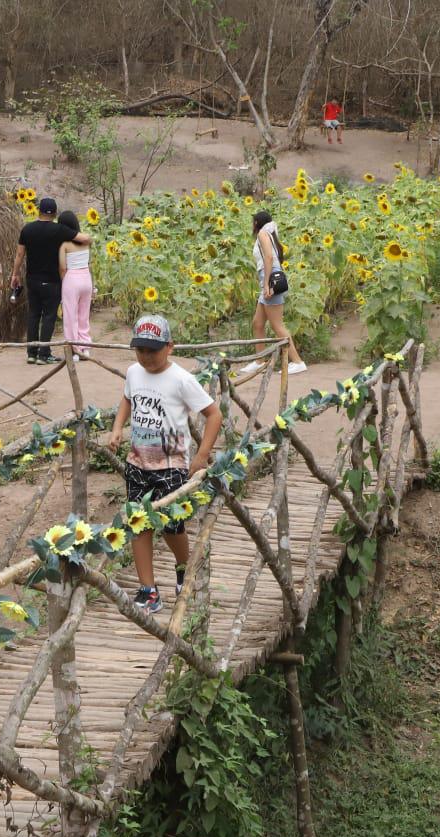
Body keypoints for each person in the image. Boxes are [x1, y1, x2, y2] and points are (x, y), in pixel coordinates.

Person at [107, 315, 221, 615]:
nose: (146, 357)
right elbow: (127, 399)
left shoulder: (181, 379)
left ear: (169, 347)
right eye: (140, 350)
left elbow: (214, 415)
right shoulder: (134, 372)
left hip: (171, 466)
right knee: (138, 525)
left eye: (152, 351)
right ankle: (148, 589)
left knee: (172, 526)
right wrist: (118, 427)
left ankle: (184, 567)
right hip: (137, 463)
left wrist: (201, 454)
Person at [10, 197, 91, 364]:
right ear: (54, 213)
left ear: (38, 211)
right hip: (52, 281)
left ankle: (31, 353)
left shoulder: (27, 229)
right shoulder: (59, 230)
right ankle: (44, 353)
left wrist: (15, 274)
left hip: (32, 280)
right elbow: (85, 239)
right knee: (48, 316)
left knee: (33, 315)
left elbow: (19, 255)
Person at [247, 210, 308, 376]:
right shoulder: (270, 233)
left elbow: (268, 258)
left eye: (253, 221)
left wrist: (266, 283)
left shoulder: (262, 233)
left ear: (257, 222)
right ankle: (260, 361)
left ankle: (297, 361)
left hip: (269, 279)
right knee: (257, 323)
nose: (252, 225)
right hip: (268, 278)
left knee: (277, 325)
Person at [57, 211, 94, 358]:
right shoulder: (86, 242)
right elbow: (89, 262)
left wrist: (63, 282)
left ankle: (74, 350)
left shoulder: (65, 245)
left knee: (70, 316)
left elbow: (62, 268)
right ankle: (85, 347)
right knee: (83, 315)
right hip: (86, 277)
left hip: (71, 278)